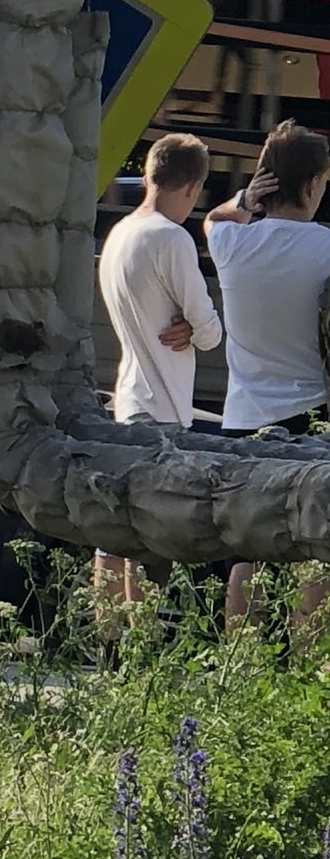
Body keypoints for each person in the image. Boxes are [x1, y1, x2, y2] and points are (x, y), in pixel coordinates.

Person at [204, 119, 330, 625]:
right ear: (310, 184)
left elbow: (214, 219)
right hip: (311, 416)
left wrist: (244, 199)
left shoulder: (233, 245)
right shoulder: (324, 248)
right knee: (316, 550)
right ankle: (305, 672)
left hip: (242, 418)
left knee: (245, 553)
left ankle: (239, 666)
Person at [95, 133, 222, 606]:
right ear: (193, 187)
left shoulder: (121, 233)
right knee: (152, 544)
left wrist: (188, 323)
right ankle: (143, 651)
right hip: (163, 409)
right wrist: (195, 327)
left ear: (148, 175)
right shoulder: (172, 239)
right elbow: (210, 332)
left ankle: (107, 651)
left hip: (126, 398)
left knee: (114, 534)